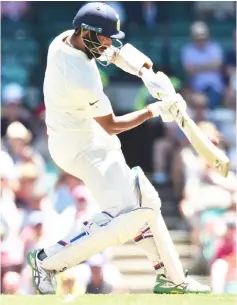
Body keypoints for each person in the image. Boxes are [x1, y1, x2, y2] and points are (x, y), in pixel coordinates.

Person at [27, 2, 210, 295]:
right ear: (87, 33)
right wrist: (156, 109)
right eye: (105, 38)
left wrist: (146, 71)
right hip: (82, 149)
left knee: (147, 201)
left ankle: (173, 279)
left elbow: (114, 52)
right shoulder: (81, 76)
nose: (109, 44)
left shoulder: (66, 38)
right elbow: (111, 124)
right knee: (129, 216)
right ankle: (47, 261)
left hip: (89, 141)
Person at [181, 22, 224, 109]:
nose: (201, 40)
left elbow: (217, 65)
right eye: (198, 37)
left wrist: (197, 67)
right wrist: (209, 66)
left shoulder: (215, 47)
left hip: (215, 86)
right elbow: (189, 70)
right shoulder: (187, 50)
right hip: (197, 87)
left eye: (203, 36)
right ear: (192, 37)